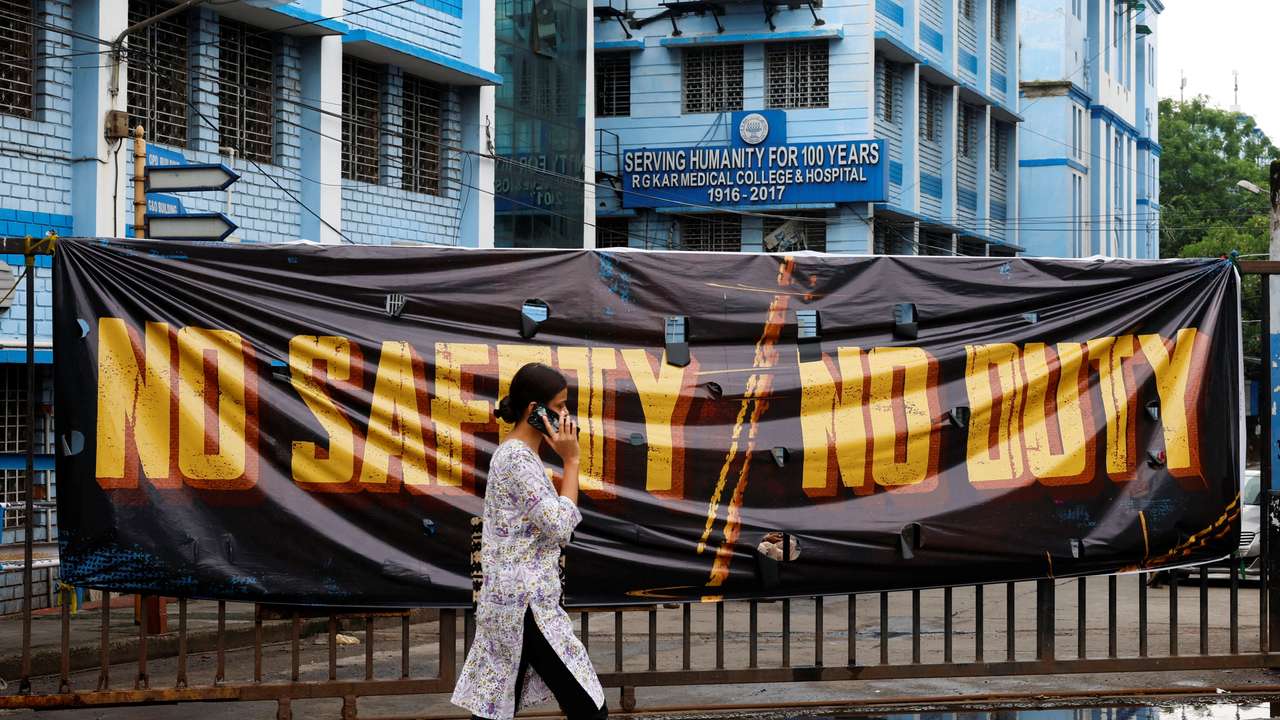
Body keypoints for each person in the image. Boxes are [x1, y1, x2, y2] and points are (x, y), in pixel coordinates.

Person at [451, 363, 608, 720]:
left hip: (518, 603)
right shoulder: (517, 459)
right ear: (532, 410)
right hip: (525, 607)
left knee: (496, 708)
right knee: (590, 708)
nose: (567, 416)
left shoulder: (521, 455)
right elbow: (558, 525)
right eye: (560, 406)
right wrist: (572, 461)